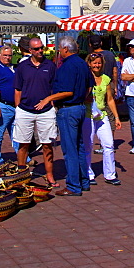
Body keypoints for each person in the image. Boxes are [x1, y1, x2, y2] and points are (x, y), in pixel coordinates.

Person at [41, 35, 93, 197]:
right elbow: (90, 86)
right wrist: (82, 97)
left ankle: (73, 185)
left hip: (68, 109)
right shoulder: (83, 64)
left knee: (70, 149)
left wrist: (49, 98)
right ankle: (83, 181)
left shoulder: (67, 66)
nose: (58, 51)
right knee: (78, 147)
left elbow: (67, 91)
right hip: (79, 107)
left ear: (65, 49)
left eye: (60, 48)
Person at [13, 36, 58, 185]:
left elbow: (54, 88)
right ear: (30, 50)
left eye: (41, 48)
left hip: (45, 111)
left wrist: (51, 103)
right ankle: (21, 174)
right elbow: (17, 89)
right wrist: (18, 107)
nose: (40, 51)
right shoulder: (23, 67)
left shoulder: (50, 66)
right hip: (25, 110)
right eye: (37, 49)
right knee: (23, 143)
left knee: (47, 144)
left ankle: (49, 174)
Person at [84, 52, 122, 186]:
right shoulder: (85, 77)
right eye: (94, 63)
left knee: (109, 144)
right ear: (89, 63)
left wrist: (116, 117)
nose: (97, 65)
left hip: (101, 115)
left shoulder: (106, 78)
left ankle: (110, 174)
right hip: (88, 115)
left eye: (99, 63)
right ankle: (88, 174)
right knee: (88, 145)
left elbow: (110, 100)